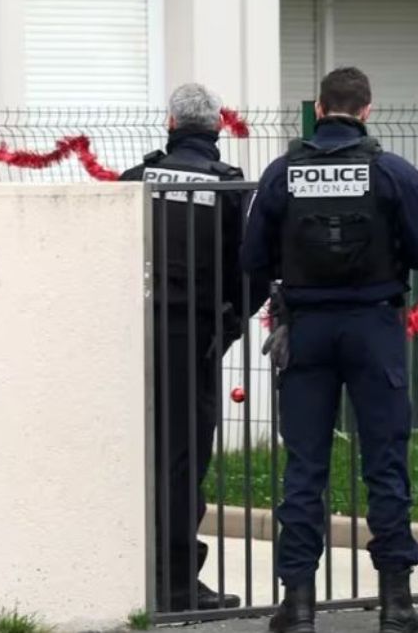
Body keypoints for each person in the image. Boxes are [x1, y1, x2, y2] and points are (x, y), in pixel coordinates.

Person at [241, 67, 418, 633]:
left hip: (305, 330)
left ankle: (299, 607)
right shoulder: (393, 173)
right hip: (374, 328)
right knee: (385, 463)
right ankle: (397, 606)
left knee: (305, 468)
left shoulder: (283, 173)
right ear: (368, 109)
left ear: (319, 108)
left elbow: (252, 256)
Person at [119, 82, 253, 612]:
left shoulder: (137, 180)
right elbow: (246, 270)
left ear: (170, 125)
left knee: (139, 455)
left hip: (134, 335)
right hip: (194, 336)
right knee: (183, 459)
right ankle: (175, 585)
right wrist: (229, 327)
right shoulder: (226, 187)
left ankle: (136, 575)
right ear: (217, 127)